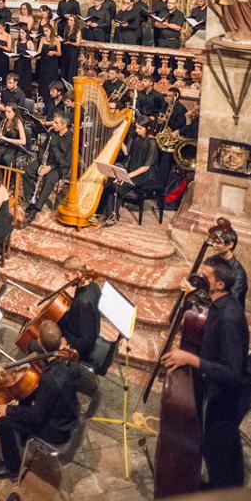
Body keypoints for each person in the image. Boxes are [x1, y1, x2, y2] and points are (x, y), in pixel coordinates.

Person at [162, 259, 250, 489]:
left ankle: (224, 491)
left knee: (219, 446)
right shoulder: (219, 303)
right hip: (217, 390)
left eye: (205, 276)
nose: (199, 278)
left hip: (229, 395)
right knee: (215, 445)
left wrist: (192, 359)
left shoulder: (230, 317)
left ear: (220, 284)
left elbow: (232, 373)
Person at [0, 320, 81, 480]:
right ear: (62, 340)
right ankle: (23, 437)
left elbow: (35, 416)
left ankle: (11, 467)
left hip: (56, 431)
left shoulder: (50, 379)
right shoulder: (72, 362)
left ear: (40, 341)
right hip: (68, 415)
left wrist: (8, 409)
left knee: (1, 419)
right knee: (28, 394)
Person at [97, 116, 158, 220]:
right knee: (108, 181)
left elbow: (145, 167)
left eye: (140, 128)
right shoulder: (136, 137)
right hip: (131, 170)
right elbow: (126, 152)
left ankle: (112, 217)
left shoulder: (152, 143)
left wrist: (127, 176)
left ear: (147, 128)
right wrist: (118, 138)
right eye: (136, 127)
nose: (136, 130)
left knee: (117, 186)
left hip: (143, 175)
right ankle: (101, 211)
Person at [27, 113, 72, 218]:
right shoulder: (52, 132)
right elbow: (42, 148)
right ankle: (31, 200)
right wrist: (42, 162)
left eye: (56, 123)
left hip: (60, 167)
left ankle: (37, 208)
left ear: (64, 125)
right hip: (46, 161)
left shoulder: (71, 139)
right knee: (27, 172)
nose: (53, 124)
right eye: (53, 121)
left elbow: (65, 162)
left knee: (49, 179)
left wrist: (49, 167)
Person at [35, 24, 61, 103]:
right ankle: (42, 102)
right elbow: (39, 52)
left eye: (47, 31)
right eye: (44, 31)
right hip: (44, 63)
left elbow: (59, 53)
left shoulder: (56, 40)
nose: (45, 33)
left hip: (52, 64)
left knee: (51, 82)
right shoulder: (42, 39)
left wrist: (54, 52)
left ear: (51, 31)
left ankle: (50, 102)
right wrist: (35, 55)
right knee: (43, 83)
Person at [61, 15, 82, 85]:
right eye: (69, 20)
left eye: (71, 20)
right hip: (66, 50)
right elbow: (64, 38)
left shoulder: (78, 31)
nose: (69, 22)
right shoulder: (66, 29)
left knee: (71, 69)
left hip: (73, 51)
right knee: (65, 68)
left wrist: (70, 42)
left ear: (75, 22)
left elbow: (78, 43)